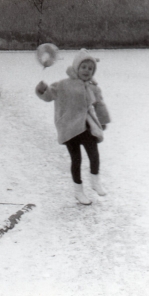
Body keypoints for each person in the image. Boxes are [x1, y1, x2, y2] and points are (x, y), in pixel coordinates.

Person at [35, 48, 111, 205]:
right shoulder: (64, 85)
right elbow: (49, 95)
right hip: (69, 128)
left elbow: (99, 104)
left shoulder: (93, 87)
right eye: (84, 67)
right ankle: (78, 191)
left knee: (94, 154)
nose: (86, 71)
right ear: (77, 67)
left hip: (86, 127)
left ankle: (95, 181)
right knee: (76, 159)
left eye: (90, 69)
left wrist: (103, 120)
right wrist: (42, 90)